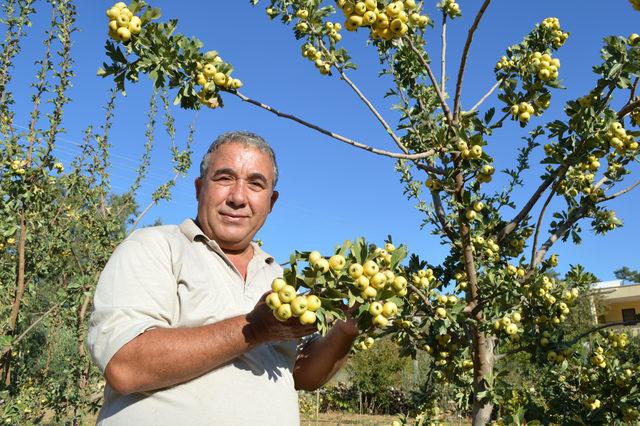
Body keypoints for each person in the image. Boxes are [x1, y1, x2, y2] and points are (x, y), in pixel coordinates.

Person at [87, 131, 359, 425]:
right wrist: (254, 329)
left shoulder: (280, 278)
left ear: (271, 202)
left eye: (255, 184)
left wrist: (347, 329)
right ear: (199, 188)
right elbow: (125, 365)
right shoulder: (154, 247)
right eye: (224, 178)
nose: (238, 197)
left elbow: (303, 375)